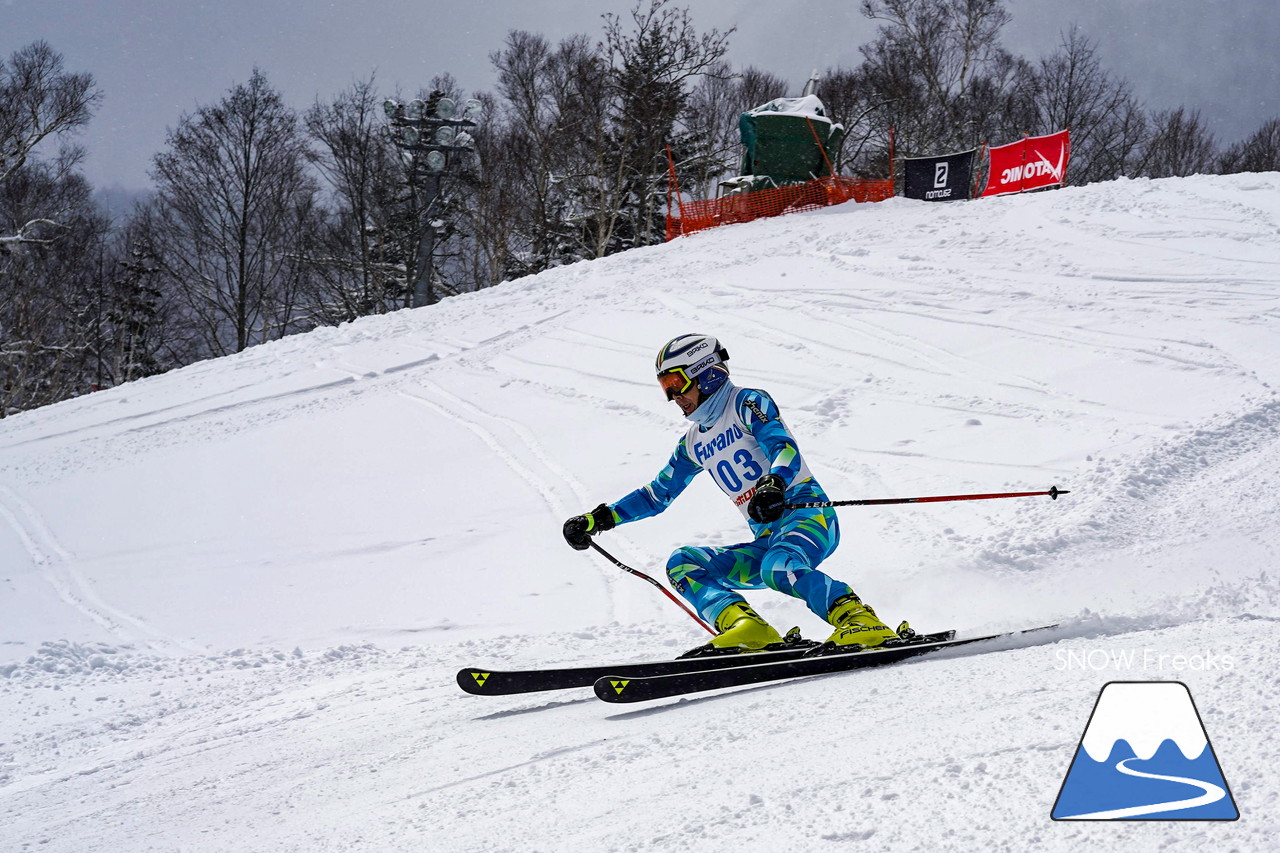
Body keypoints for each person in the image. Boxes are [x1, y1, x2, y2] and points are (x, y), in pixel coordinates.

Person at [562, 333, 899, 654]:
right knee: (684, 564)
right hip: (766, 536)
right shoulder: (693, 442)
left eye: (677, 383)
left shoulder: (747, 402)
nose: (674, 396)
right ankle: (746, 627)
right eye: (666, 388)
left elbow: (783, 447)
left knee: (778, 565)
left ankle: (859, 620)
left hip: (808, 517)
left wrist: (775, 484)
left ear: (706, 373)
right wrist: (599, 519)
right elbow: (656, 494)